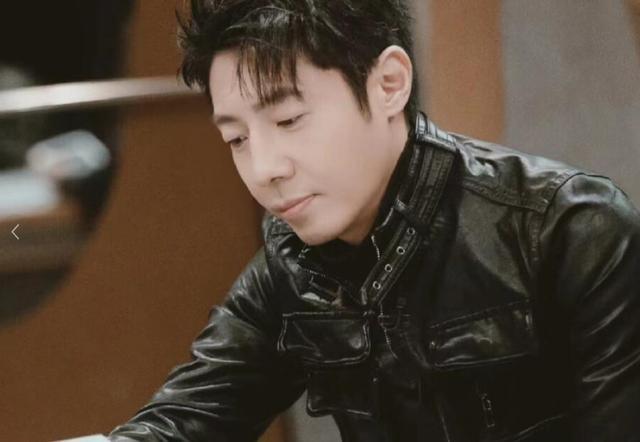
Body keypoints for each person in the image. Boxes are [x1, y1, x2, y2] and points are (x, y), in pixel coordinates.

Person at [107, 1, 640, 441]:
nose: (264, 168)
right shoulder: (290, 264)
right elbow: (181, 422)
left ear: (389, 83)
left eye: (288, 119)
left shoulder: (570, 230)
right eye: (237, 139)